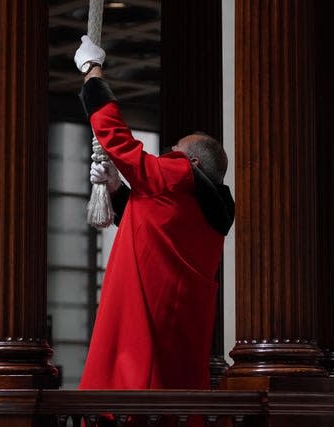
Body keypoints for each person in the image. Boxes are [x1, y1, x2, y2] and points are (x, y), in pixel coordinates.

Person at [74, 36, 235, 391]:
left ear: (190, 163)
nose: (168, 153)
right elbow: (151, 222)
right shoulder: (208, 215)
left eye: (174, 150)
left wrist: (92, 73)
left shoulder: (178, 175)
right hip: (176, 341)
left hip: (141, 330)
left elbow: (118, 141)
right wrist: (116, 189)